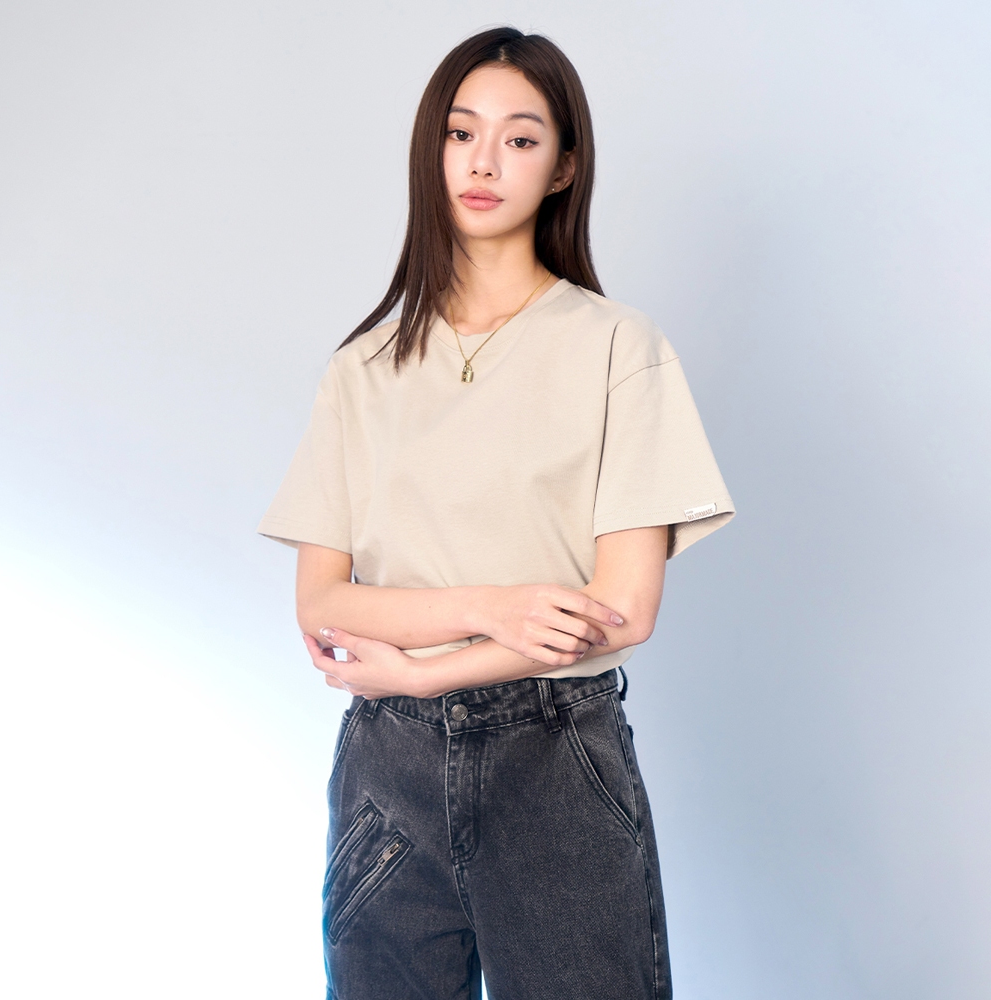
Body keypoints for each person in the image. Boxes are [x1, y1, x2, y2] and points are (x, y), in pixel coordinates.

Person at [258, 26, 734, 1000]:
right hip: (387, 767)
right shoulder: (363, 368)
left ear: (563, 167)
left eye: (519, 139)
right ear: (431, 150)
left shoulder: (618, 347)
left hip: (554, 759)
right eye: (460, 132)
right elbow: (322, 603)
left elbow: (623, 610)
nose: (483, 161)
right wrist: (497, 608)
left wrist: (430, 667)